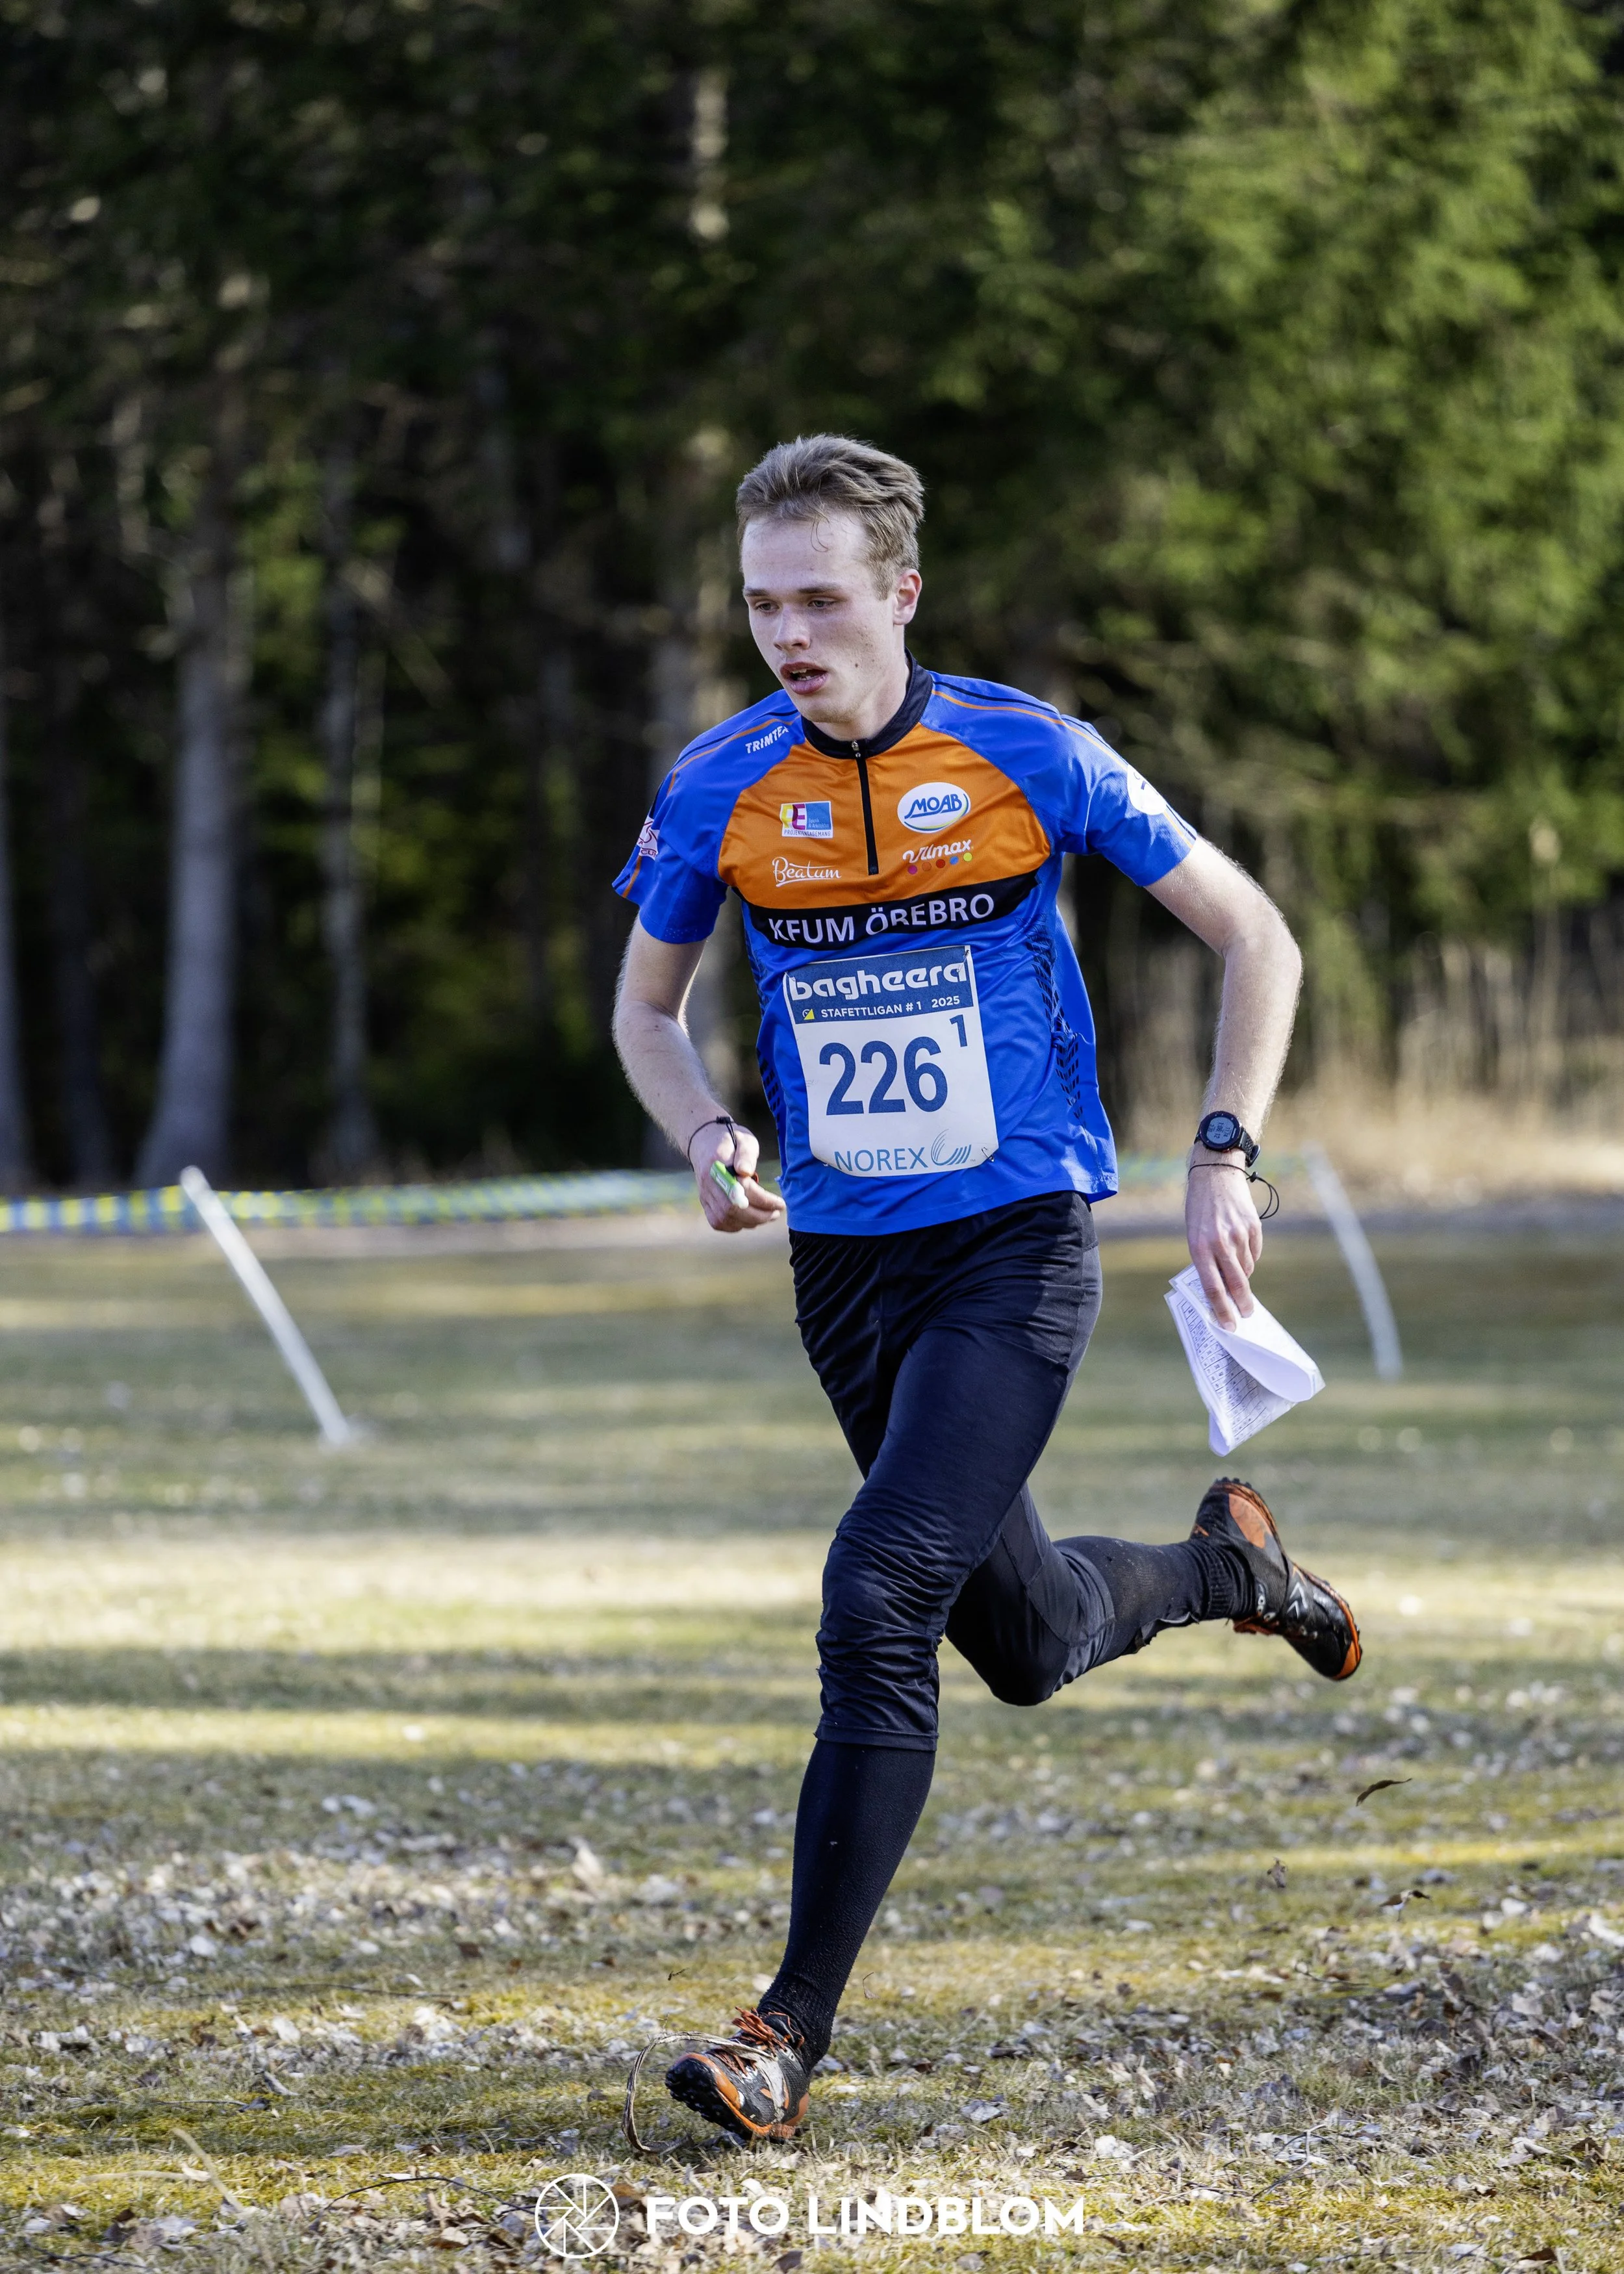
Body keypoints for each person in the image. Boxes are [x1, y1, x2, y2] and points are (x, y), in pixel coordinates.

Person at [611, 434, 1359, 2147]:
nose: (788, 632)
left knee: (875, 1592)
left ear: (899, 592)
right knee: (1015, 1638)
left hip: (1017, 1250)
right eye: (759, 603)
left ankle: (782, 2031)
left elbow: (1257, 936)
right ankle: (1231, 1562)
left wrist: (1222, 1148)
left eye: (819, 598)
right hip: (844, 1274)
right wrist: (711, 1131)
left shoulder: (1030, 751)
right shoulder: (721, 783)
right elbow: (643, 1013)